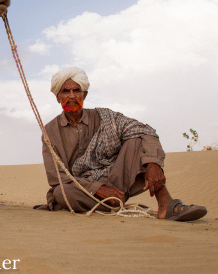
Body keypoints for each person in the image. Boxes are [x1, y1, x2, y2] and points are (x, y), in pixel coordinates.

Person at [37, 66, 207, 221]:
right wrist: (99, 189)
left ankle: (166, 204)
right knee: (61, 192)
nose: (72, 96)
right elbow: (57, 177)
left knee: (138, 138)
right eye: (66, 91)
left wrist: (153, 164)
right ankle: (110, 204)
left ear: (84, 95)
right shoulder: (50, 132)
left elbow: (144, 131)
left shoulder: (106, 117)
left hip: (117, 181)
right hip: (84, 190)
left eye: (76, 90)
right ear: (58, 97)